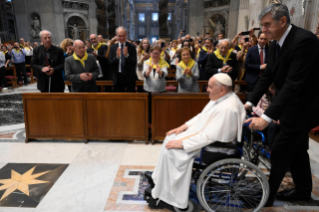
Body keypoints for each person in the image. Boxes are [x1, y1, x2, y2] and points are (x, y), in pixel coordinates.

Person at [244, 3, 319, 207]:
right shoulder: (275, 43)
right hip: (289, 107)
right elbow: (267, 74)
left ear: (283, 21)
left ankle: (266, 198)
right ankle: (303, 191)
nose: (263, 30)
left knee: (279, 150)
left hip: (302, 109)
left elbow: (293, 85)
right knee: (297, 151)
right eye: (262, 26)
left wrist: (266, 117)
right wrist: (249, 103)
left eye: (267, 25)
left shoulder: (305, 41)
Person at [144, 73, 246, 210]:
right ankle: (160, 180)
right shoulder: (221, 98)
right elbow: (201, 117)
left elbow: (211, 137)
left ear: (221, 89)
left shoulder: (229, 107)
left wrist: (184, 144)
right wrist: (183, 127)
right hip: (208, 141)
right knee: (170, 138)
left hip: (216, 148)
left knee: (172, 150)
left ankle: (172, 198)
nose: (207, 89)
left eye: (209, 87)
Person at [108, 26, 137, 92]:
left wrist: (127, 56)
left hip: (129, 77)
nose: (121, 38)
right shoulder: (113, 47)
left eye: (123, 36)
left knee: (131, 99)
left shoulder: (131, 46)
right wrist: (117, 57)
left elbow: (134, 63)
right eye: (119, 36)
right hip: (118, 77)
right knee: (119, 99)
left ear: (126, 35)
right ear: (116, 35)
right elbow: (110, 63)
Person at [252, 83, 279, 150]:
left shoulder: (277, 96)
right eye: (273, 89)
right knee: (271, 125)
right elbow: (255, 108)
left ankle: (278, 145)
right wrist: (268, 116)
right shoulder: (262, 94)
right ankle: (271, 147)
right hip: (260, 116)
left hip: (272, 117)